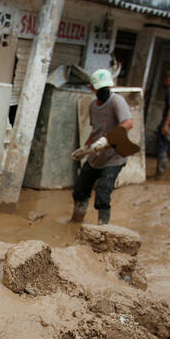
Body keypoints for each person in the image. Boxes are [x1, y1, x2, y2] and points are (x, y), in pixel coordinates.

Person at [69, 68, 133, 225]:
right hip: (96, 156)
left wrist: (106, 140)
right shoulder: (93, 105)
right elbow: (95, 130)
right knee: (80, 189)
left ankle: (102, 229)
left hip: (114, 156)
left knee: (103, 191)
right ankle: (76, 221)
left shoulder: (117, 101)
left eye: (106, 87)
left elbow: (128, 123)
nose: (104, 91)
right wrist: (85, 148)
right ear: (92, 88)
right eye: (99, 88)